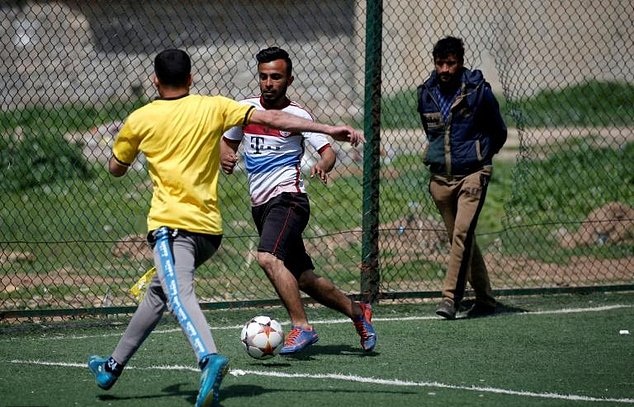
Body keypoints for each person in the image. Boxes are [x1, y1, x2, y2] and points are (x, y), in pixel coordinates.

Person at [87, 48, 364, 407]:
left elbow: (115, 168)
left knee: (178, 294)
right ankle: (112, 366)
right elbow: (278, 120)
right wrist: (327, 128)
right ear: (190, 79)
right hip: (209, 232)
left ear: (155, 81)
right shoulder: (214, 106)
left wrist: (125, 151)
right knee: (158, 293)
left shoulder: (139, 119)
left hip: (172, 228)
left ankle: (208, 357)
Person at [221, 46, 377, 355]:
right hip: (261, 206)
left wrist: (324, 164)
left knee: (267, 257)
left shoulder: (299, 116)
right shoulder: (244, 109)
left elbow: (328, 151)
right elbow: (227, 142)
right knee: (304, 278)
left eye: (276, 77)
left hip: (289, 199)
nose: (268, 83)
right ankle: (359, 312)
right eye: (263, 76)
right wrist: (225, 155)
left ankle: (302, 327)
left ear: (289, 79)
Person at [416, 37, 507, 320]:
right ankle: (485, 299)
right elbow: (431, 133)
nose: (444, 69)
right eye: (440, 63)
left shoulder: (478, 91)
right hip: (441, 180)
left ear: (460, 62)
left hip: (473, 175)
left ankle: (449, 299)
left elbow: (498, 131)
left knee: (462, 234)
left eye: (450, 63)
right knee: (462, 239)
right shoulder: (426, 93)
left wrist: (481, 159)